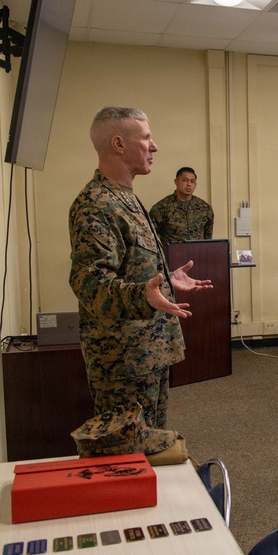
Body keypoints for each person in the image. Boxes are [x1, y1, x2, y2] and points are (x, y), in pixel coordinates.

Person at [69, 107, 213, 431]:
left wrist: (167, 280)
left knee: (152, 447)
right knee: (127, 458)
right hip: (123, 363)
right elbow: (89, 281)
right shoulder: (97, 204)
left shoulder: (126, 198)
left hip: (150, 352)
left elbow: (131, 268)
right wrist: (143, 296)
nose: (154, 146)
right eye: (146, 137)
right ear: (119, 144)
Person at [149, 166, 214, 243]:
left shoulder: (205, 208)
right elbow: (151, 238)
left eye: (192, 181)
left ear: (195, 185)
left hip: (198, 253)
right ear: (176, 182)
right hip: (172, 253)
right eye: (184, 180)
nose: (189, 184)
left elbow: (207, 239)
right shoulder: (161, 208)